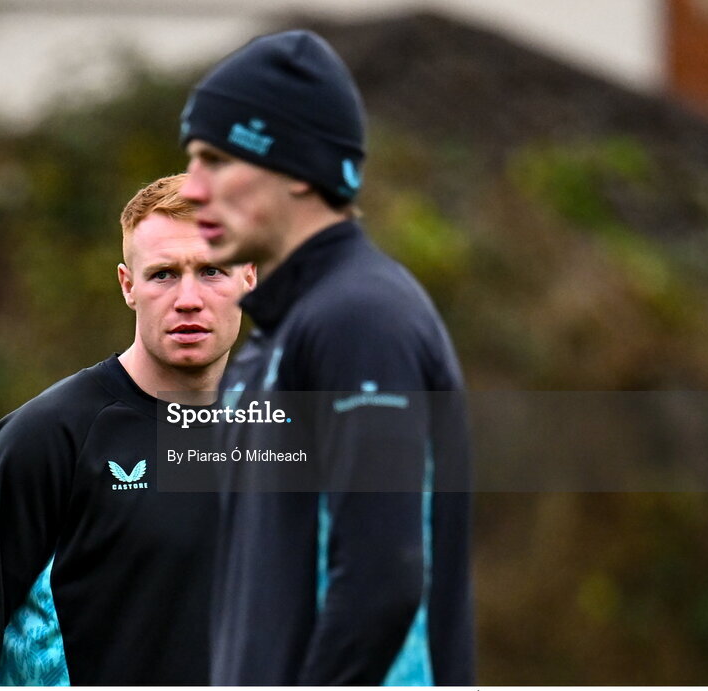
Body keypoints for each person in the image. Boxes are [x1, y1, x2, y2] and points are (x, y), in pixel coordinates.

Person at [178, 30, 475, 685]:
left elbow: (382, 578)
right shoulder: (270, 340)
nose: (191, 188)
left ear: (297, 168)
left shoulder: (360, 320)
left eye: (216, 159)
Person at [0, 174, 256, 685]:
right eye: (162, 274)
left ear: (250, 276)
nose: (188, 298)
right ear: (127, 285)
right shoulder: (50, 436)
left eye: (211, 271)